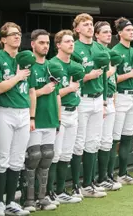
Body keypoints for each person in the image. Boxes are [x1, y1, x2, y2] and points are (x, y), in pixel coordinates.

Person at [0, 22, 36, 216]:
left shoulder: (25, 58)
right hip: (3, 110)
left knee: (17, 159)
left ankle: (11, 201)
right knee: (2, 158)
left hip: (23, 111)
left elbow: (32, 91)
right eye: (12, 34)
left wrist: (32, 115)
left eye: (18, 34)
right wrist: (18, 77)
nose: (17, 37)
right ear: (3, 39)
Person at [70, 14, 107, 198]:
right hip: (82, 98)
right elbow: (70, 77)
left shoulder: (99, 47)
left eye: (91, 24)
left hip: (98, 96)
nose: (90, 27)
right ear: (77, 29)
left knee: (93, 142)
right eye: (85, 25)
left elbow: (106, 75)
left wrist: (106, 98)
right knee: (79, 143)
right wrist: (87, 76)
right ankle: (76, 185)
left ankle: (88, 183)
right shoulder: (74, 48)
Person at [23, 30, 60, 212]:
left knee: (47, 158)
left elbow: (58, 95)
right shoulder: (28, 67)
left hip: (51, 119)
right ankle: (28, 199)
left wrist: (58, 119)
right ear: (33, 44)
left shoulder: (51, 66)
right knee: (33, 158)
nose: (45, 46)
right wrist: (41, 91)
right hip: (35, 120)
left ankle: (42, 197)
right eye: (41, 42)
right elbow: (26, 95)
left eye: (47, 43)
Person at [46, 30, 83, 204]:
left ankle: (61, 190)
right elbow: (51, 93)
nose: (71, 44)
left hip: (74, 111)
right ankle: (49, 191)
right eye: (67, 41)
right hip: (59, 111)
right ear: (58, 44)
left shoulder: (75, 64)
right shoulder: (52, 64)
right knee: (55, 153)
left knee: (67, 153)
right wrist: (70, 88)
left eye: (72, 41)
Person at [111, 18, 133, 185]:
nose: (131, 32)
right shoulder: (115, 51)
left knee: (127, 136)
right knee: (115, 138)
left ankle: (122, 174)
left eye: (132, 30)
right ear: (120, 33)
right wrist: (130, 75)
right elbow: (111, 78)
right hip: (120, 95)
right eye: (128, 30)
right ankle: (109, 175)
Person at [92, 22, 123, 192]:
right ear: (96, 35)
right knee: (95, 141)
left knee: (107, 141)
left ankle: (105, 176)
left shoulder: (109, 52)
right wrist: (110, 70)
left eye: (109, 32)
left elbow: (113, 80)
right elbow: (103, 76)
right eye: (104, 32)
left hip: (110, 98)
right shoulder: (96, 50)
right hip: (97, 99)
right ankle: (94, 179)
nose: (108, 34)